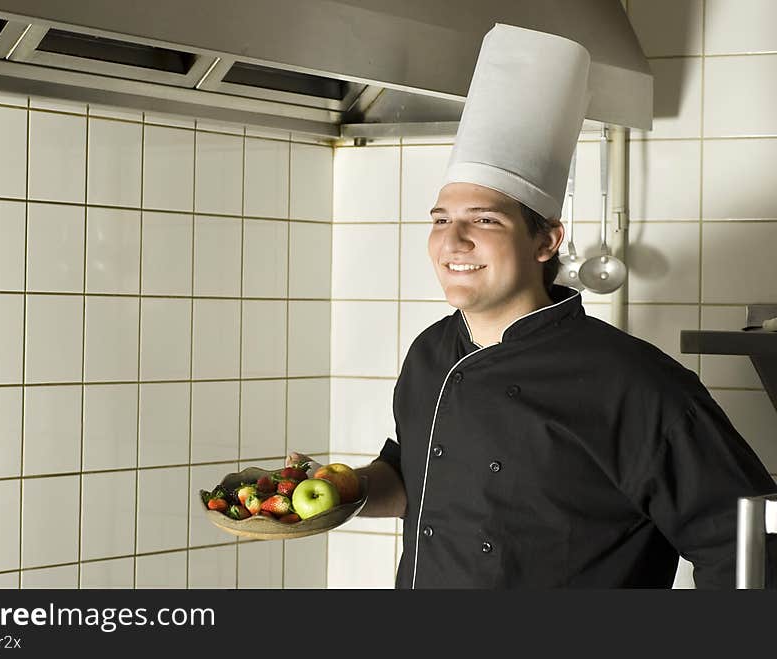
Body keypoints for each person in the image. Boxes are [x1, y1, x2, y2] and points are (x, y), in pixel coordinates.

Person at [290, 23, 777, 589]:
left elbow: (749, 547)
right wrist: (336, 493)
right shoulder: (431, 352)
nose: (453, 241)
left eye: (485, 220)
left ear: (546, 241)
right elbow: (413, 476)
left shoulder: (635, 384)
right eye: (442, 220)